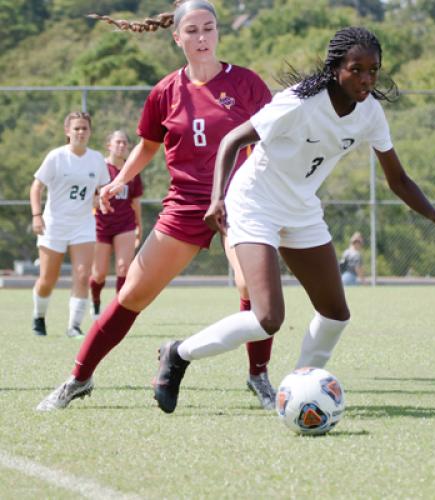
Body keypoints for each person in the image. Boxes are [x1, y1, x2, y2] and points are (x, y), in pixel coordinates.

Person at [147, 26, 435, 414]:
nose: (366, 79)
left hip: (300, 208)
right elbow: (232, 140)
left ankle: (299, 390)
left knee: (336, 314)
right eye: (357, 69)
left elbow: (398, 179)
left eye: (373, 70)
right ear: (336, 68)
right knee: (268, 317)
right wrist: (217, 196)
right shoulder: (298, 102)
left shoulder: (370, 113)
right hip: (255, 201)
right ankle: (178, 353)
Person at [36, 0, 276, 411]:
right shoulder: (166, 91)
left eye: (209, 29)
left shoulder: (247, 84)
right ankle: (78, 379)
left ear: (218, 32)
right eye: (193, 31)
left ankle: (258, 376)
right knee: (131, 295)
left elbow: (270, 142)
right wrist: (118, 182)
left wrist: (260, 189)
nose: (202, 38)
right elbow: (148, 147)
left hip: (239, 204)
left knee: (250, 288)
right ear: (176, 36)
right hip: (184, 207)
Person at [30, 111, 110, 338]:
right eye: (76, 128)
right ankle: (39, 317)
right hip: (54, 225)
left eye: (85, 128)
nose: (81, 132)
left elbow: (102, 189)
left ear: (90, 131)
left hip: (83, 225)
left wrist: (100, 199)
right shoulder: (56, 157)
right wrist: (37, 215)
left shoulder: (96, 159)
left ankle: (73, 326)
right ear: (67, 131)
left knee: (83, 275)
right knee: (48, 279)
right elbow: (36, 187)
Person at [89, 130, 143, 319]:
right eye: (117, 142)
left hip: (125, 224)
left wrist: (139, 226)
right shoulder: (99, 168)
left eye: (124, 143)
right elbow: (90, 198)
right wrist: (96, 204)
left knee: (123, 268)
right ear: (109, 145)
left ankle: (117, 313)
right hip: (100, 226)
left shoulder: (132, 171)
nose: (121, 146)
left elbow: (135, 202)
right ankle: (95, 302)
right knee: (99, 274)